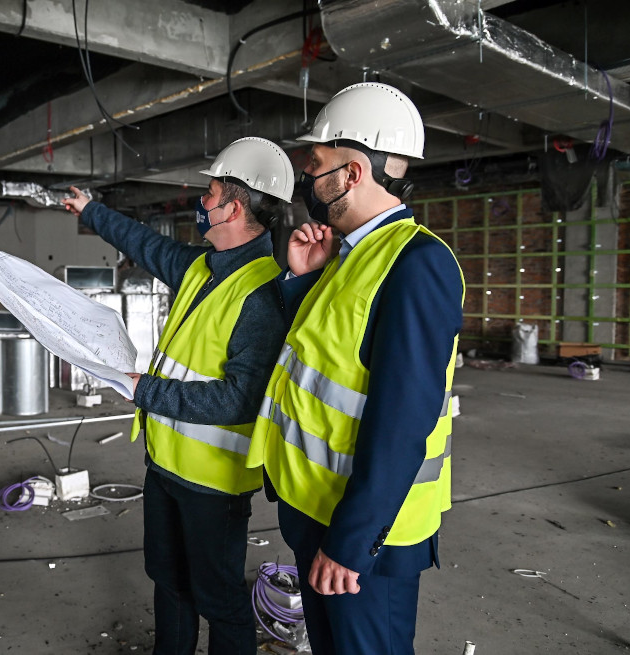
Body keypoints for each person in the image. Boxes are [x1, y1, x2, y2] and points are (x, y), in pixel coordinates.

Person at [246, 83, 465, 655]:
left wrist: (351, 541)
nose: (308, 182)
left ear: (351, 172)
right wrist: (300, 281)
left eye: (316, 167)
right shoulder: (347, 254)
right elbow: (322, 356)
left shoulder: (418, 264)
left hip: (364, 538)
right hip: (315, 511)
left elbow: (402, 422)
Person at [63, 137, 295, 655]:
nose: (202, 204)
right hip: (165, 464)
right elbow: (143, 243)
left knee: (217, 598)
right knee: (167, 582)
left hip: (213, 483)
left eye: (210, 195)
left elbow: (238, 400)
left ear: (233, 207)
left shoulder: (262, 295)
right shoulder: (200, 266)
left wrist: (145, 391)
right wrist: (91, 210)